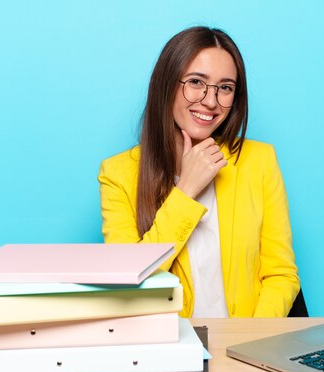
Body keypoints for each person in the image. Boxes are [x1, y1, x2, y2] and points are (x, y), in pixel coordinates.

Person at [98, 26, 300, 317]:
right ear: (166, 84)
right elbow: (129, 284)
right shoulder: (117, 174)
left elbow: (280, 276)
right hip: (170, 349)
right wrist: (185, 192)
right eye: (196, 82)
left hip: (245, 348)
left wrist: (250, 342)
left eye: (226, 88)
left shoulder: (259, 161)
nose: (210, 101)